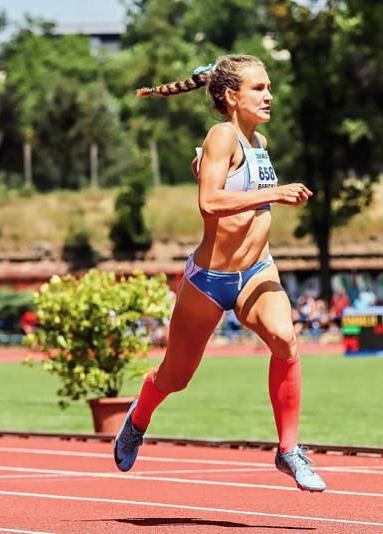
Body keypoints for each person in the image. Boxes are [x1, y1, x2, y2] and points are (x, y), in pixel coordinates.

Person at [114, 55, 325, 492]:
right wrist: (275, 192)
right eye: (259, 88)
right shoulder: (221, 135)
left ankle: (288, 450)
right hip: (210, 279)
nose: (269, 96)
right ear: (232, 96)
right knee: (176, 376)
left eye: (269, 87)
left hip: (257, 270)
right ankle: (138, 417)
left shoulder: (258, 142)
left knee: (285, 338)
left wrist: (266, 192)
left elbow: (236, 191)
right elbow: (209, 203)